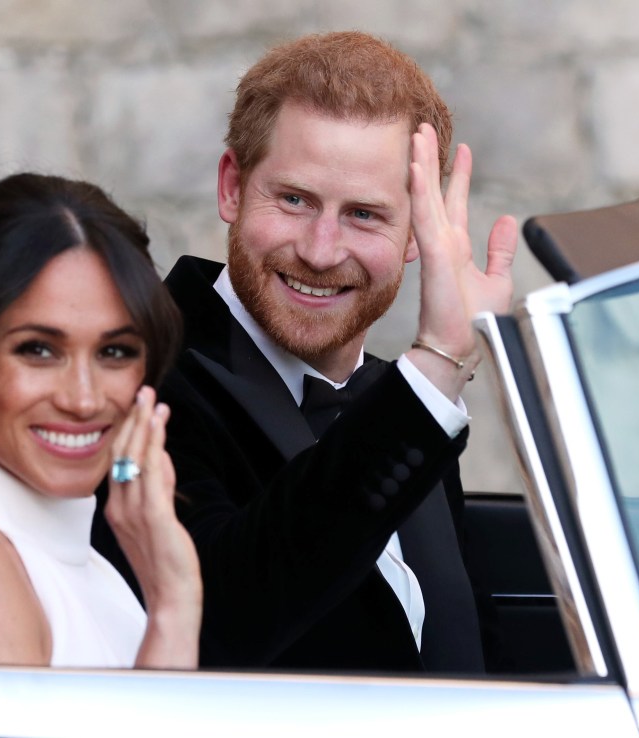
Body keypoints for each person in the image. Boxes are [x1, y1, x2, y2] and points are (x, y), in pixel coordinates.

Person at [93, 32, 517, 672]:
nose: (321, 250)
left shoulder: (397, 399)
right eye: (294, 200)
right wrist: (436, 367)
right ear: (233, 187)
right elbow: (218, 622)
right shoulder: (138, 373)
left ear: (414, 234)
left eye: (365, 215)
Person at [0, 173, 202, 669]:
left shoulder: (84, 564)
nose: (84, 399)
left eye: (114, 351)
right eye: (39, 350)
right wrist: (174, 610)